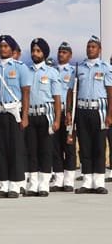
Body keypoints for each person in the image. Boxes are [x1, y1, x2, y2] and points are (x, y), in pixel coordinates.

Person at [0, 35, 31, 198]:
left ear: (12, 49)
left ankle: (15, 184)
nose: (3, 49)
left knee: (15, 149)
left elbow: (26, 94)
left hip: (14, 113)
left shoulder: (20, 67)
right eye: (1, 46)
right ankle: (3, 184)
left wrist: (25, 116)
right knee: (1, 149)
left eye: (6, 46)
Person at [72, 36, 112, 194]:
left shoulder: (105, 68)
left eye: (93, 47)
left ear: (99, 50)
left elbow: (110, 93)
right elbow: (73, 92)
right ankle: (87, 181)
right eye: (88, 46)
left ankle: (99, 182)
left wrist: (110, 114)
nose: (90, 49)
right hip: (82, 110)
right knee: (85, 146)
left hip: (99, 111)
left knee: (99, 146)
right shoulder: (79, 68)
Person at [25, 38, 61, 197]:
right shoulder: (26, 71)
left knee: (45, 151)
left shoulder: (52, 72)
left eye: (38, 51)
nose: (35, 53)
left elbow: (57, 98)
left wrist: (58, 119)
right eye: (33, 50)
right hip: (31, 115)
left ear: (44, 54)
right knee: (32, 150)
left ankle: (44, 184)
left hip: (46, 115)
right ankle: (33, 185)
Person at [50, 42, 77, 192]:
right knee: (55, 146)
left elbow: (74, 93)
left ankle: (69, 180)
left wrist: (72, 114)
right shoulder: (51, 71)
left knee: (69, 146)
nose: (61, 54)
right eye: (60, 52)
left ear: (70, 55)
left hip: (68, 114)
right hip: (54, 112)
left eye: (64, 52)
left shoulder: (73, 71)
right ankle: (58, 180)